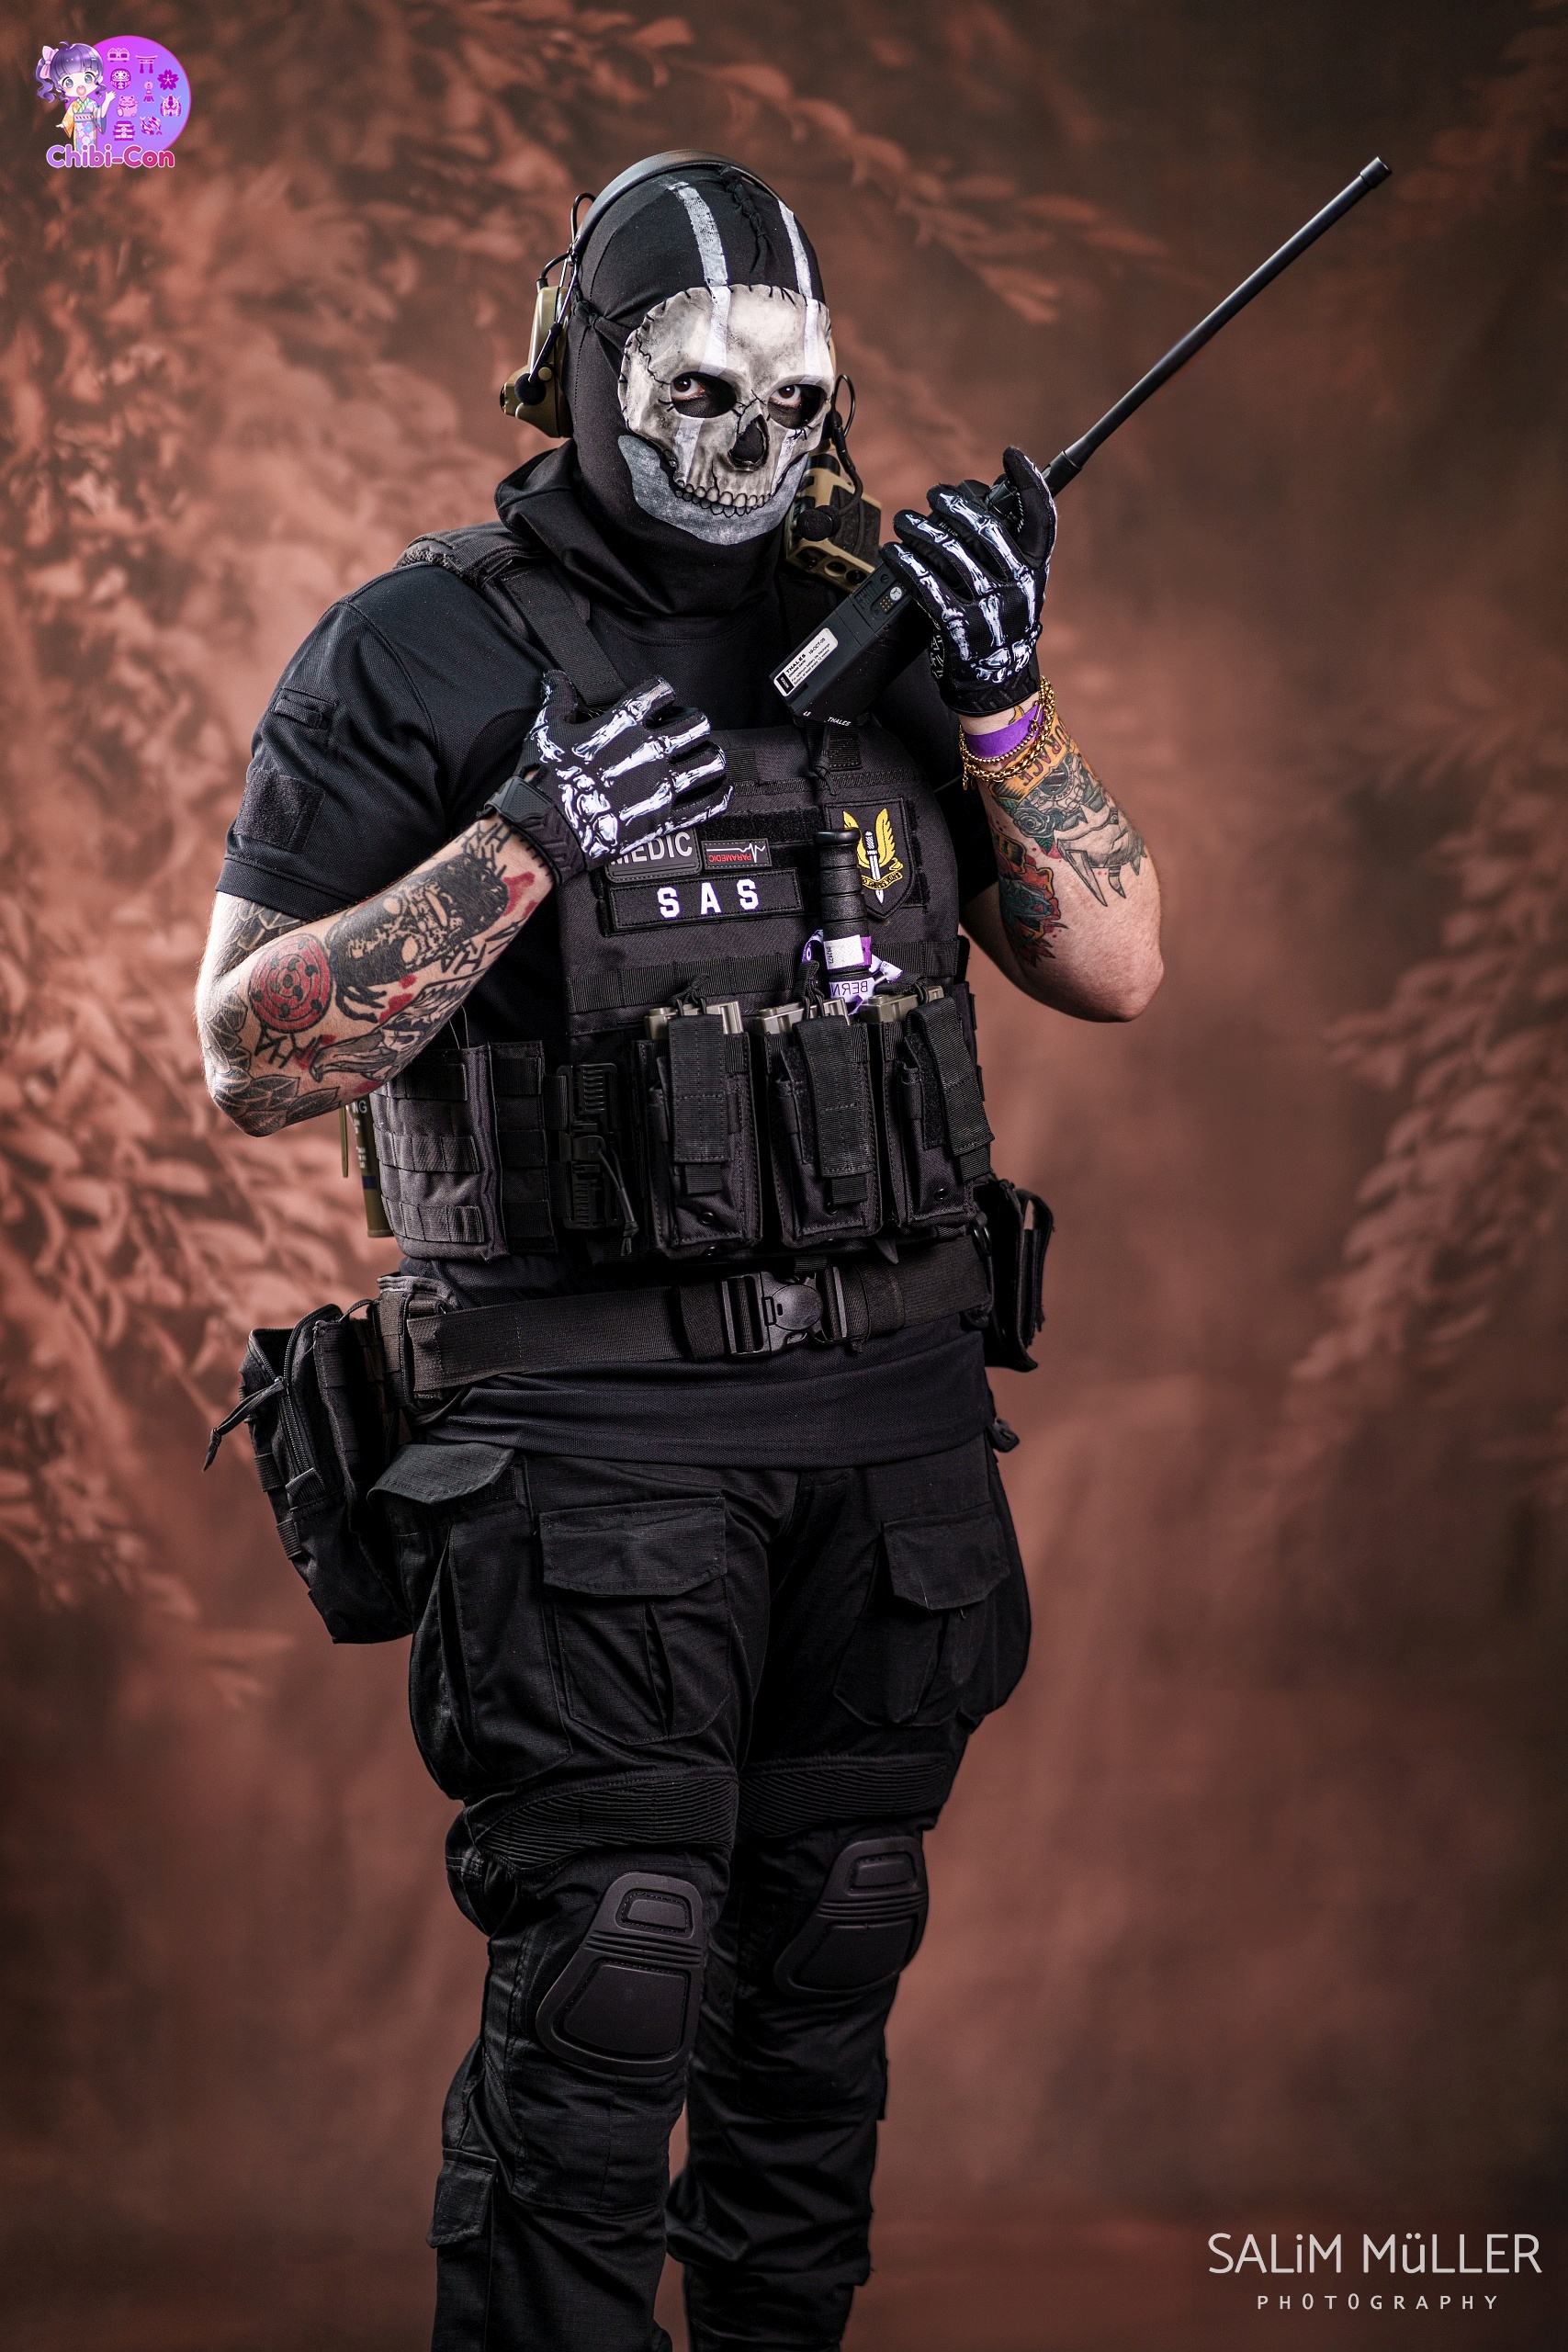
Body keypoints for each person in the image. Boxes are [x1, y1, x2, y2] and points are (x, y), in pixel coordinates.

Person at [197, 152, 1161, 2352]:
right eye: (702, 392)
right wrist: (521, 846)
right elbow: (250, 1056)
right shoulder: (415, 648)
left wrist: (1005, 702)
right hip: (585, 1454)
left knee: (827, 1963)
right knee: (612, 1977)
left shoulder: (889, 623)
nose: (753, 442)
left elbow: (1113, 968)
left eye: (793, 398)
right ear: (586, 376)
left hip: (887, 1443)